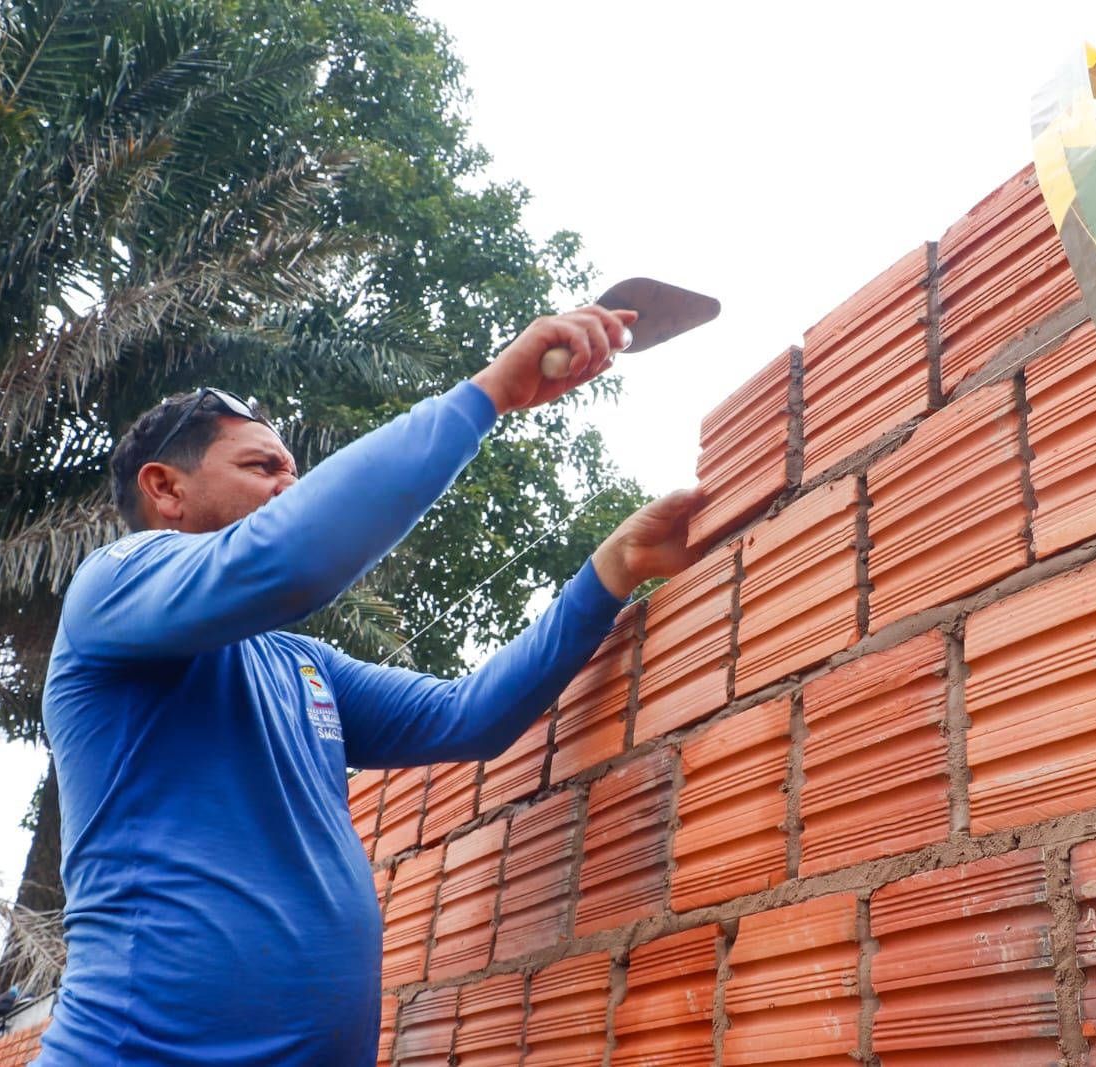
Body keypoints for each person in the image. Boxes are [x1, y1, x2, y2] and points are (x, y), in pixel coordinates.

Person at [35, 307, 703, 1066]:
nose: (292, 484)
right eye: (263, 467)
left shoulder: (299, 665)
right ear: (166, 489)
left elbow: (469, 715)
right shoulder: (110, 589)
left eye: (295, 469)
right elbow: (290, 558)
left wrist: (611, 570)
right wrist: (492, 391)